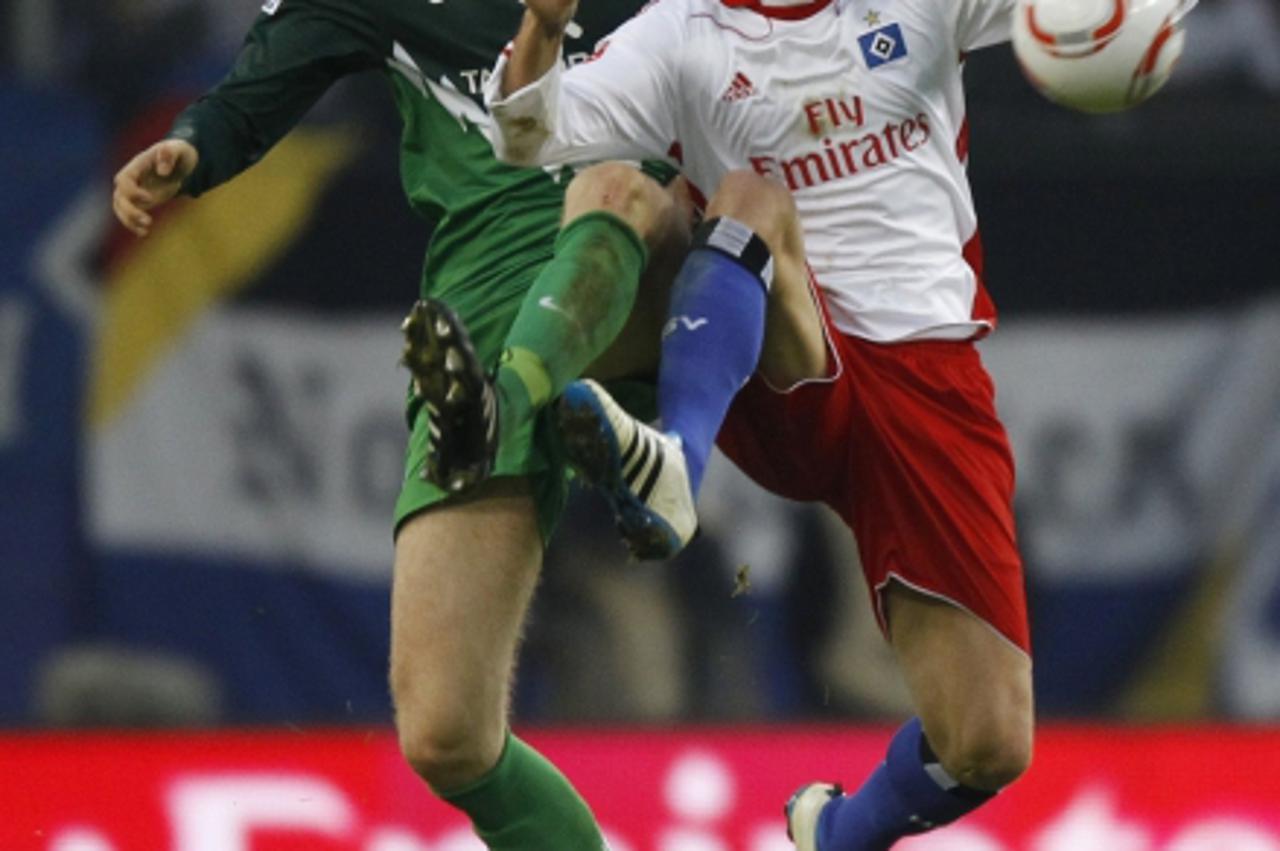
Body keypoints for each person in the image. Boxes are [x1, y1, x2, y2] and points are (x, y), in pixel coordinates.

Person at [109, 1, 693, 848]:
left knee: (624, 194)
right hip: (488, 303)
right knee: (447, 731)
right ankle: (515, 406)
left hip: (653, 262)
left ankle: (571, 416)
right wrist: (196, 144)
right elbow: (262, 80)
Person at [487, 0, 1034, 848]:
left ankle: (838, 833)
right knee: (657, 193)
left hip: (923, 377)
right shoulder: (680, 31)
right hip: (778, 356)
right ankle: (605, 432)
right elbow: (524, 133)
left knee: (988, 739)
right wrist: (546, 28)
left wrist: (1126, 25)